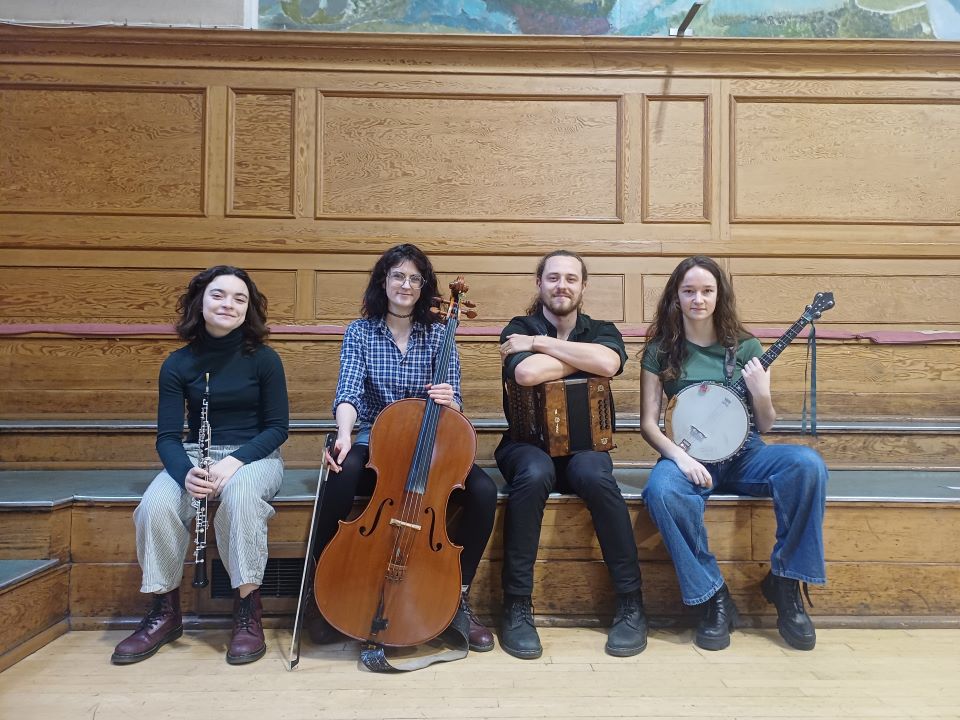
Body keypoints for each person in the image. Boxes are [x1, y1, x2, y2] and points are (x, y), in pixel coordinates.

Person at [309, 243, 498, 653]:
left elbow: (457, 399)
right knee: (340, 479)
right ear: (383, 281)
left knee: (484, 492)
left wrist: (448, 397)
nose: (406, 285)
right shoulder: (360, 332)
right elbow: (348, 393)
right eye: (398, 276)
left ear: (424, 287)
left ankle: (456, 596)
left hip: (430, 442)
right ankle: (319, 589)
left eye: (415, 278)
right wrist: (343, 434)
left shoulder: (440, 331)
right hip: (376, 436)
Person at [640, 255, 827, 651]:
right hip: (688, 456)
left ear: (719, 295)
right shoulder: (660, 350)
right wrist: (681, 458)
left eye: (707, 291)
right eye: (688, 291)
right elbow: (649, 424)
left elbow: (766, 424)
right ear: (676, 296)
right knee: (661, 491)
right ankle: (713, 596)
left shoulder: (745, 347)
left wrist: (762, 393)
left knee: (808, 466)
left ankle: (786, 583)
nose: (698, 299)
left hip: (746, 454)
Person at [111, 266, 289, 666]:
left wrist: (234, 462)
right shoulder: (178, 363)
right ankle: (165, 610)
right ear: (200, 302)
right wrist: (185, 474)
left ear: (249, 310)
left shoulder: (264, 359)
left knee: (242, 500)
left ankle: (248, 610)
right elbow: (168, 437)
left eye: (239, 299)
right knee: (154, 506)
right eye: (219, 295)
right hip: (195, 455)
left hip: (254, 454)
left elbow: (278, 428)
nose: (229, 304)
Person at [496, 250, 646, 660]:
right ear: (539, 283)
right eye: (553, 278)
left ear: (583, 286)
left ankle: (632, 603)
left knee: (598, 478)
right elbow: (526, 374)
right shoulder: (517, 327)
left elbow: (610, 363)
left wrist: (541, 346)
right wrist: (584, 362)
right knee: (533, 473)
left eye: (571, 279)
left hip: (585, 448)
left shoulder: (600, 328)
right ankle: (515, 604)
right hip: (526, 447)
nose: (562, 285)